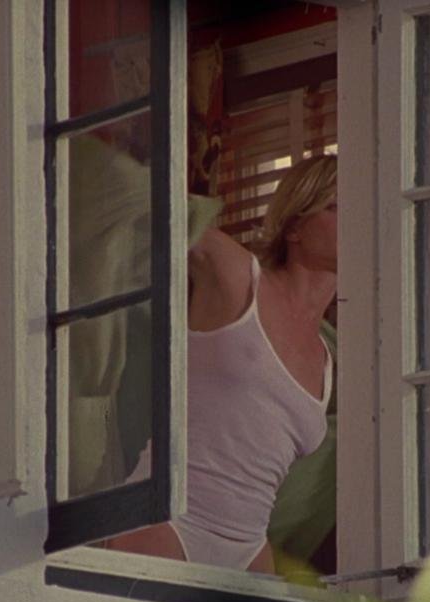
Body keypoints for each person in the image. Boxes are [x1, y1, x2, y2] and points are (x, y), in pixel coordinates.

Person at [106, 154, 338, 574]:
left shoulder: (326, 357)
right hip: (168, 524)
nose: (354, 220)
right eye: (336, 207)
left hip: (249, 550)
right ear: (296, 227)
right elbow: (156, 206)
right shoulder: (239, 276)